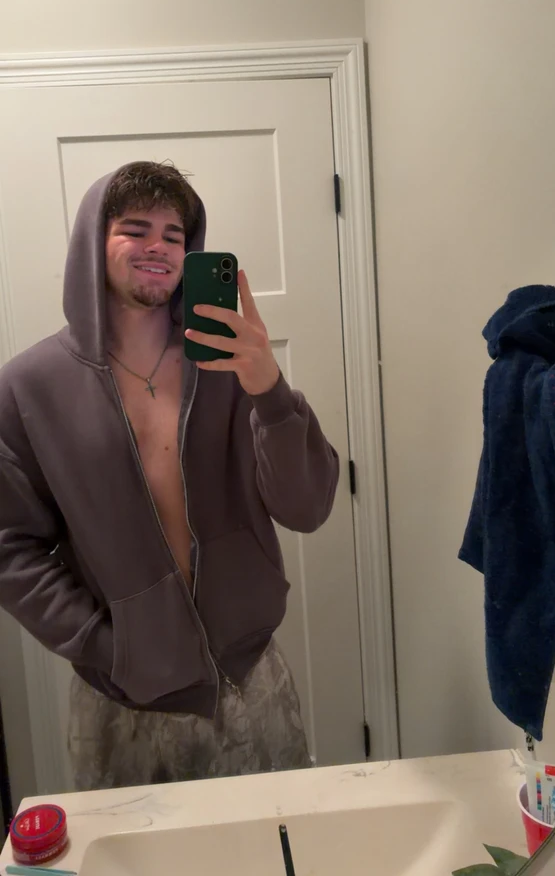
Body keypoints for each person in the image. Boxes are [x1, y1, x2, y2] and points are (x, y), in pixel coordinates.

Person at [0, 161, 339, 790]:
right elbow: (10, 548)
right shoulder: (28, 387)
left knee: (271, 838)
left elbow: (307, 508)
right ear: (92, 243)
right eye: (135, 229)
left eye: (174, 235)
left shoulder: (232, 364)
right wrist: (104, 646)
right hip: (122, 698)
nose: (158, 246)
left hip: (250, 677)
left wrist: (269, 389)